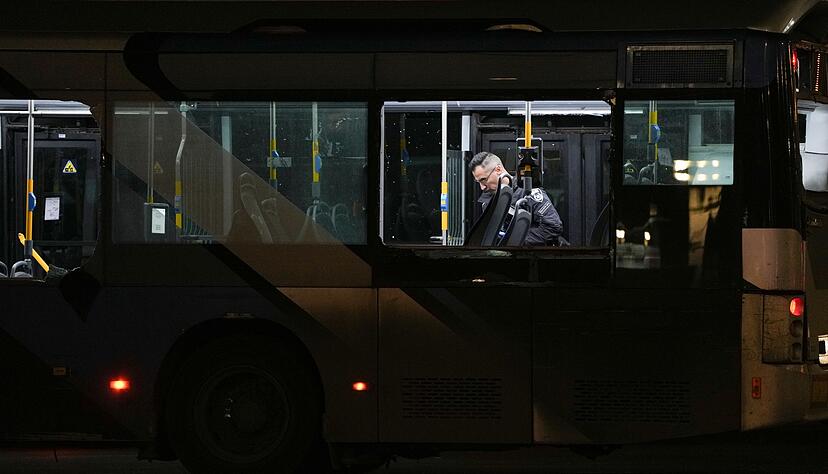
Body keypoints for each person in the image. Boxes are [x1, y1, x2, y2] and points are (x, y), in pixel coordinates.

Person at [469, 151, 563, 246]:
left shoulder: (528, 191)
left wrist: (514, 242)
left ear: (498, 169)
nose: (482, 187)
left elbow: (553, 226)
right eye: (478, 182)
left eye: (484, 180)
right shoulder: (487, 201)